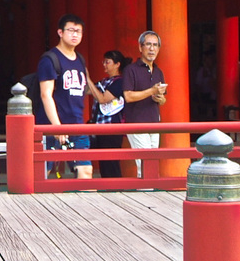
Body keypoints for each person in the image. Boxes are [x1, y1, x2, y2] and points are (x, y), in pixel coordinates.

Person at [37, 15, 93, 178]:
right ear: (60, 32)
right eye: (71, 30)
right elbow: (45, 94)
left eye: (79, 31)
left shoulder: (80, 59)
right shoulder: (50, 59)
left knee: (85, 170)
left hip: (76, 124)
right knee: (43, 173)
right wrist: (57, 126)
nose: (75, 35)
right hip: (51, 126)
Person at [122, 30, 166, 180]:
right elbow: (128, 96)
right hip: (137, 123)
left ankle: (151, 192)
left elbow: (163, 100)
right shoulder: (130, 70)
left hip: (155, 123)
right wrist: (151, 91)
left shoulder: (158, 71)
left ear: (159, 49)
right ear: (140, 48)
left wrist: (159, 97)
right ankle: (146, 194)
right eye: (148, 44)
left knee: (152, 162)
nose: (152, 48)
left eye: (155, 45)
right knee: (144, 163)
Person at [93, 50, 129, 179]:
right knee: (103, 162)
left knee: (111, 162)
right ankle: (107, 188)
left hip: (112, 127)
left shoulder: (120, 82)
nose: (104, 65)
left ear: (117, 64)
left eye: (107, 62)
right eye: (104, 62)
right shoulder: (104, 81)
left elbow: (103, 98)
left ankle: (115, 189)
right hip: (100, 127)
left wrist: (88, 80)